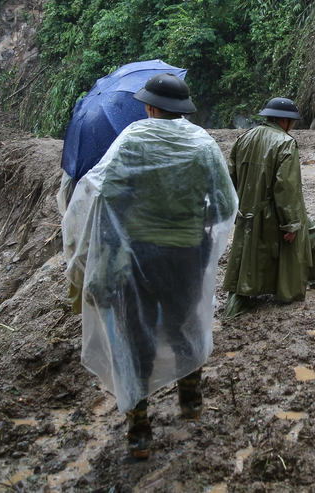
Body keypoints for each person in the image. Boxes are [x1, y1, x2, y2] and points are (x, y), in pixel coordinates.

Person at [62, 73, 237, 460]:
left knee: (134, 337)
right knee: (184, 325)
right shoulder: (204, 145)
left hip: (135, 257)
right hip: (187, 258)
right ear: (183, 109)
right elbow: (225, 206)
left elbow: (102, 192)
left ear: (151, 108)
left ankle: (140, 430)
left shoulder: (132, 140)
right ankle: (190, 401)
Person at [222, 97, 315, 318]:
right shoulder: (285, 143)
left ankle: (239, 301)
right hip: (273, 214)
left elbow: (230, 178)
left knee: (252, 253)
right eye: (292, 122)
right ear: (285, 120)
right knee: (310, 232)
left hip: (246, 213)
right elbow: (286, 188)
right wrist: (290, 224)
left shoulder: (243, 138)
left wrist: (234, 211)